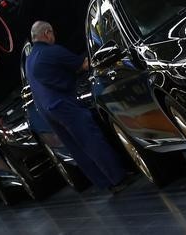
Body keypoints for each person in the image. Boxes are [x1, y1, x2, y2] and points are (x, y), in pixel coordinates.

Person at [25, 20, 131, 192]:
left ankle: (104, 183)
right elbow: (83, 64)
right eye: (52, 33)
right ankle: (118, 178)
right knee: (91, 139)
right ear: (47, 33)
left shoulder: (29, 60)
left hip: (46, 110)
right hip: (64, 105)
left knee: (76, 147)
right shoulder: (52, 52)